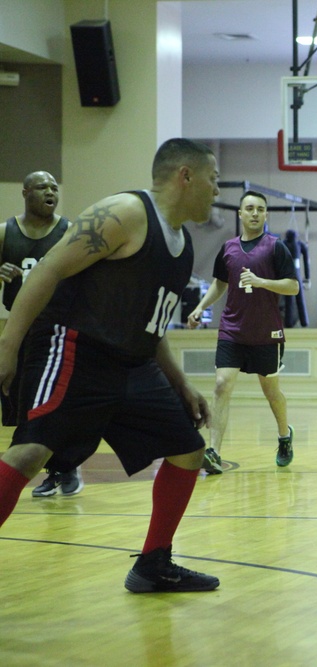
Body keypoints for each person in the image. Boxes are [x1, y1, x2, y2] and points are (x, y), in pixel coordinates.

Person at [0, 138, 221, 592]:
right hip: (75, 348)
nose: (217, 191)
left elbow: (150, 327)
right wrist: (8, 345)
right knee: (30, 452)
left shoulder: (181, 244)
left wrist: (181, 384)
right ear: (186, 175)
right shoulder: (125, 213)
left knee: (188, 449)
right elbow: (47, 271)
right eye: (213, 179)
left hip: (133, 364)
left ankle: (153, 564)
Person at [186, 190, 299, 473]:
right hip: (232, 330)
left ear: (266, 214)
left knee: (271, 392)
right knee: (222, 385)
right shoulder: (228, 249)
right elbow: (219, 284)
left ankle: (285, 437)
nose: (254, 213)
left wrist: (262, 282)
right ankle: (213, 451)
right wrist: (200, 307)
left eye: (260, 209)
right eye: (249, 208)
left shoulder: (276, 247)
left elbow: (293, 286)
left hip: (266, 334)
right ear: (240, 213)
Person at [0, 171, 84, 497]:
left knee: (50, 403)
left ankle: (64, 466)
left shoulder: (69, 232)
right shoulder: (6, 234)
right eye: (42, 187)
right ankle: (50, 467)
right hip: (20, 330)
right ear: (25, 193)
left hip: (59, 331)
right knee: (22, 406)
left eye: (54, 187)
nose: (50, 192)